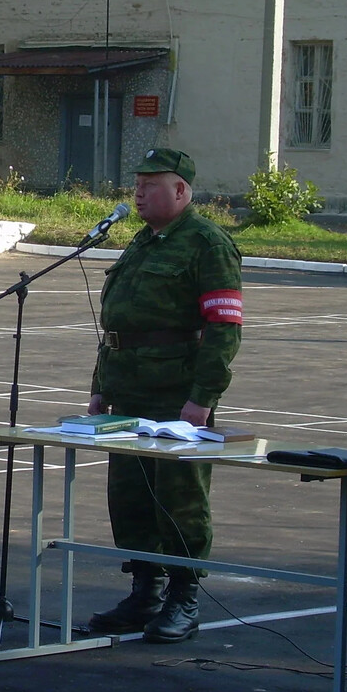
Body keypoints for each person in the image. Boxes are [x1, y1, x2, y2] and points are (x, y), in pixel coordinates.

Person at [86, 148, 242, 644]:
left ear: (181, 191)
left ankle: (184, 596)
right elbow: (117, 326)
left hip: (175, 394)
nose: (138, 192)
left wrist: (203, 396)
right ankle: (144, 591)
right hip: (127, 388)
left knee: (179, 497)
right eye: (137, 183)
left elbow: (223, 327)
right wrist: (100, 387)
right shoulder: (142, 242)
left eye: (151, 184)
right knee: (129, 495)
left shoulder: (206, 244)